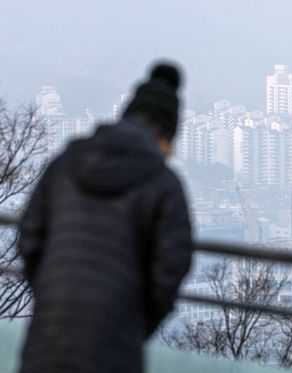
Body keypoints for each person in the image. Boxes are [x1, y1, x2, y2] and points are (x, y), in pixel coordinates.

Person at [17, 63, 193, 373]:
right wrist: (136, 322)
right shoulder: (163, 184)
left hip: (47, 337)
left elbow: (30, 236)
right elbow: (172, 267)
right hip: (114, 345)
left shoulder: (67, 163)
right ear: (164, 136)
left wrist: (50, 292)